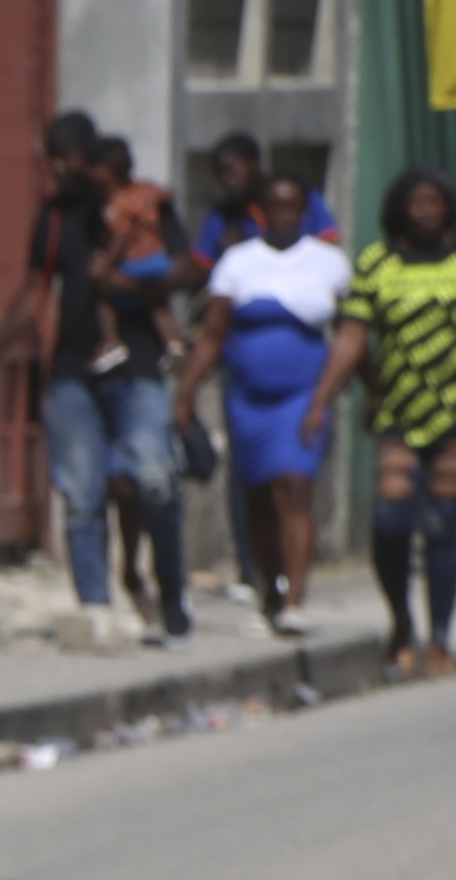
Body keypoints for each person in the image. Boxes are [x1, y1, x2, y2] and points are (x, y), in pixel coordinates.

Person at [18, 115, 195, 646]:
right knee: (81, 495)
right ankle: (95, 608)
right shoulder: (54, 217)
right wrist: (0, 354)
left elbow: (189, 268)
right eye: (55, 156)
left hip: (136, 366)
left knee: (154, 480)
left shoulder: (145, 207)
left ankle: (169, 594)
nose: (63, 167)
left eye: (71, 156)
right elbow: (35, 291)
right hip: (73, 370)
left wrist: (133, 286)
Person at [187, 172, 358, 639]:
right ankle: (270, 588)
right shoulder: (238, 263)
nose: (283, 217)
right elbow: (213, 333)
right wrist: (185, 393)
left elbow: (353, 332)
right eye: (274, 208)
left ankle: (295, 600)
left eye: (293, 208)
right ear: (260, 213)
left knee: (294, 485)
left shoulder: (329, 263)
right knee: (259, 498)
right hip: (248, 398)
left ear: (304, 212)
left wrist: (347, 390)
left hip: (304, 395)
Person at [329, 171, 456, 676]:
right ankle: (401, 620)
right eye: (416, 202)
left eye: (435, 202)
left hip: (452, 411)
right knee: (391, 523)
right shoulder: (375, 264)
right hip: (400, 409)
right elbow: (351, 338)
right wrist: (322, 400)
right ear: (399, 208)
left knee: (446, 527)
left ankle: (442, 638)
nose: (426, 210)